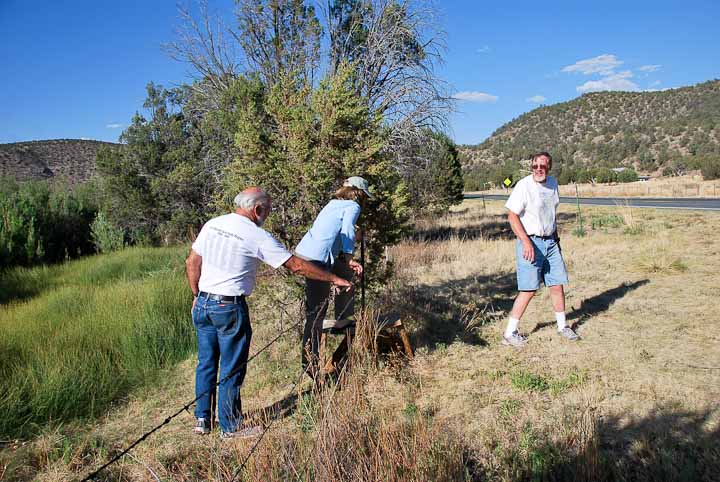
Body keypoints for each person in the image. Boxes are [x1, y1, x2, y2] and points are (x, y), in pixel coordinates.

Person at [185, 187, 351, 438]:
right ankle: (230, 426)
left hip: (204, 303)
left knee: (206, 363)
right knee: (232, 367)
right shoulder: (256, 235)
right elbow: (295, 266)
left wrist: (197, 295)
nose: (268, 214)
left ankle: (202, 419)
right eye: (268, 209)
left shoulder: (213, 224)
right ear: (257, 209)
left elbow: (192, 262)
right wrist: (333, 278)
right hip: (229, 306)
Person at [294, 176, 372, 377]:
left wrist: (346, 262)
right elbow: (346, 232)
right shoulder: (353, 206)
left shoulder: (333, 204)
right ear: (359, 193)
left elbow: (332, 235)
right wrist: (349, 256)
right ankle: (310, 364)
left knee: (344, 276)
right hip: (317, 260)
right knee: (317, 312)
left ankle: (343, 319)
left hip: (308, 253)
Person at [502, 152, 579, 347]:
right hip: (530, 242)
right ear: (531, 167)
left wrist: (556, 241)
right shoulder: (524, 186)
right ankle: (510, 333)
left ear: (549, 167)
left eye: (543, 166)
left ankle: (562, 327)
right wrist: (526, 242)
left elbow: (551, 216)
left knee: (556, 285)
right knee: (528, 289)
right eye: (535, 166)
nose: (538, 169)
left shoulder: (553, 184)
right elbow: (512, 216)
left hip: (551, 242)